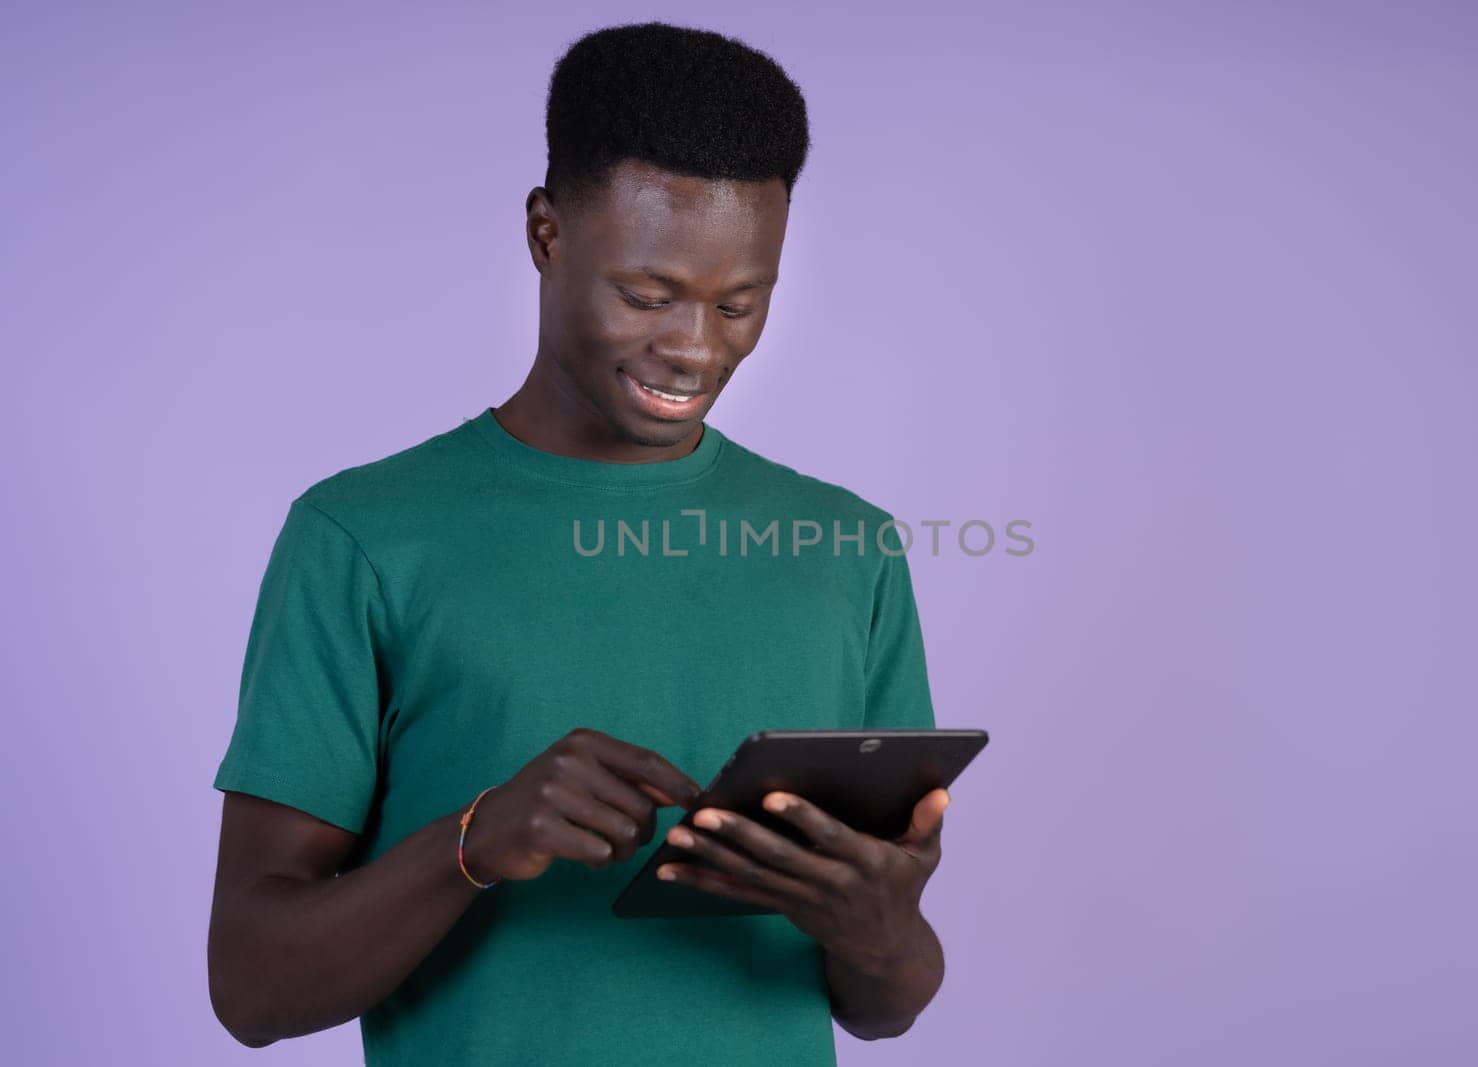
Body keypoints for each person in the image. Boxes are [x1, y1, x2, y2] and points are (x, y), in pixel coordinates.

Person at [207, 20, 952, 1066]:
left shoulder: (846, 547)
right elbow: (250, 985)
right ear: (547, 234)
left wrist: (874, 927)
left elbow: (883, 1001)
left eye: (740, 303)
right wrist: (472, 840)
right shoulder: (363, 537)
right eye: (647, 295)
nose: (695, 347)